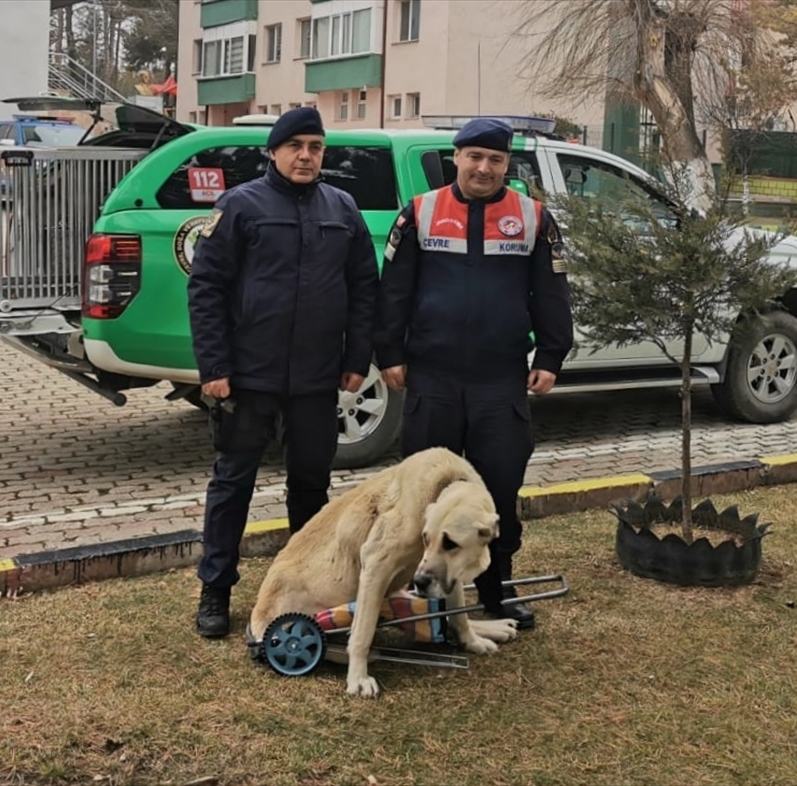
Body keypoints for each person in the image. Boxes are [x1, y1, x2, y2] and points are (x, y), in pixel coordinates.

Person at [373, 117, 574, 630]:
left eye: (496, 160)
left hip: (498, 382)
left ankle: (495, 590)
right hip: (432, 380)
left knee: (498, 493)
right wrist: (389, 352)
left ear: (507, 164)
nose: (484, 168)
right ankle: (412, 591)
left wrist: (551, 356)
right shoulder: (420, 212)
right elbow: (393, 290)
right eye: (475, 157)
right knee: (421, 497)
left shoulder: (533, 218)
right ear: (456, 157)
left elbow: (552, 294)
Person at [187, 106, 379, 639]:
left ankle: (305, 585)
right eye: (295, 146)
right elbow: (206, 289)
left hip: (317, 379)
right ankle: (216, 588)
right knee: (233, 484)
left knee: (311, 488)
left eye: (315, 147)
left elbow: (365, 288)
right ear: (273, 152)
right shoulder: (240, 206)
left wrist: (354, 360)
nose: (306, 156)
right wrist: (216, 366)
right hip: (249, 377)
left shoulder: (342, 207)